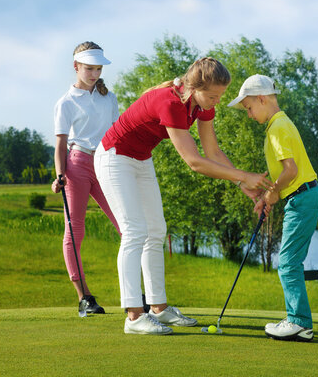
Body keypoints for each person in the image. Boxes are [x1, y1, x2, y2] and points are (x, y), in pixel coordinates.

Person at [94, 57, 273, 335]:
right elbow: (194, 161)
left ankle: (159, 309)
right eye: (212, 95)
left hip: (140, 159)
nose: (216, 101)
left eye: (220, 96)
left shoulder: (201, 107)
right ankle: (133, 317)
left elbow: (212, 153)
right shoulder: (170, 102)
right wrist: (244, 176)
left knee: (156, 230)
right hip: (114, 157)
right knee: (135, 231)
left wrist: (242, 184)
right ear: (195, 87)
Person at [228, 74, 318, 342]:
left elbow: (290, 171)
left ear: (262, 98)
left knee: (289, 263)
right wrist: (267, 193)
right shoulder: (280, 123)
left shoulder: (277, 127)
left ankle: (299, 323)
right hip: (303, 196)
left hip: (302, 197)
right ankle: (298, 321)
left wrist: (273, 192)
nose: (248, 115)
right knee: (290, 261)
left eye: (248, 108)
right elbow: (284, 171)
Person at [52, 41, 121, 315]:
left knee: (126, 226)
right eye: (89, 68)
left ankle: (139, 294)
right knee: (74, 232)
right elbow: (60, 143)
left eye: (98, 69)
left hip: (106, 162)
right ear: (76, 67)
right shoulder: (65, 102)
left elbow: (117, 133)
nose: (94, 74)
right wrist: (60, 174)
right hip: (77, 164)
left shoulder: (109, 98)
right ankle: (85, 298)